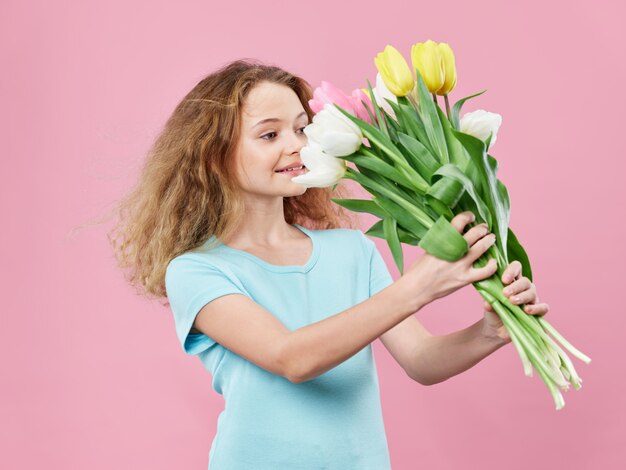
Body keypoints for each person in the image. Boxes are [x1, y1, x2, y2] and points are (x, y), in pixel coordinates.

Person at [109, 59, 549, 470]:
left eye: (302, 129)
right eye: (270, 135)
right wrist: (417, 287)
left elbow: (421, 359)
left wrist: (489, 332)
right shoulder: (197, 270)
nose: (296, 145)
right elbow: (291, 358)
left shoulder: (351, 250)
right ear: (213, 155)